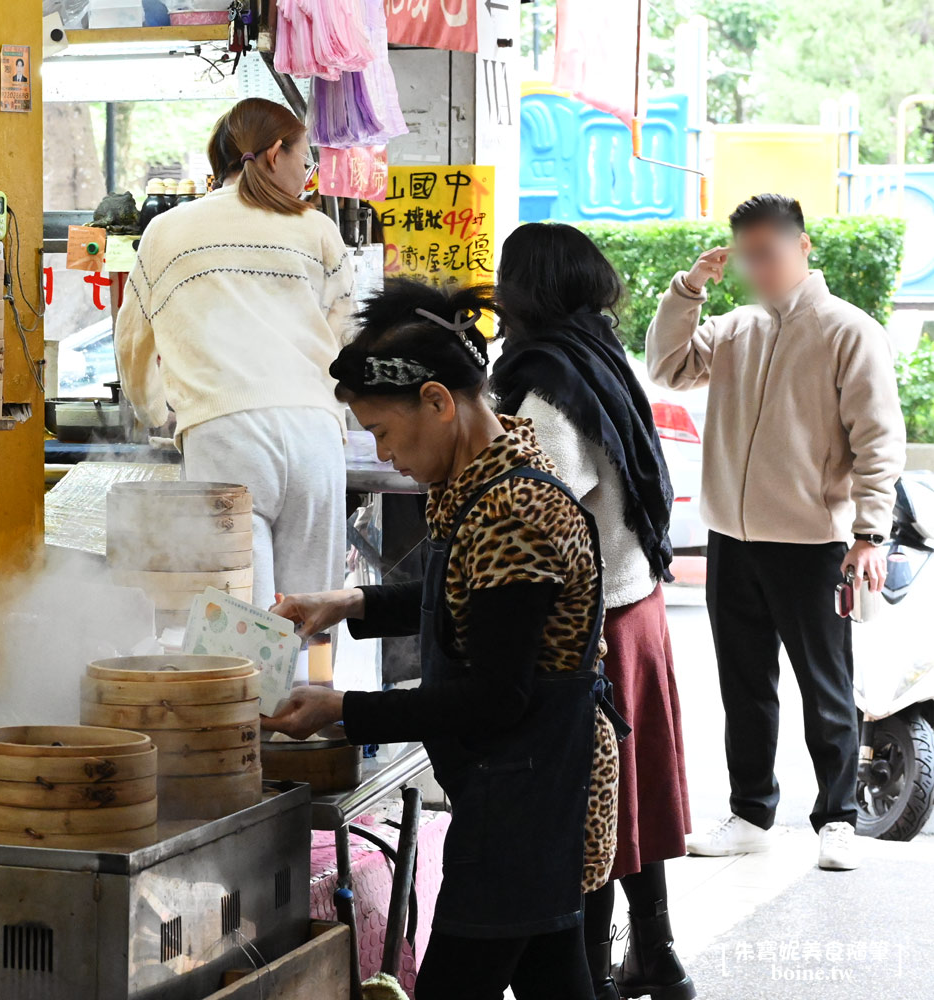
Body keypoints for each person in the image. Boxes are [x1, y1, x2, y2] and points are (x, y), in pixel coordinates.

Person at [263, 278, 625, 1000]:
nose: (383, 453)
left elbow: (494, 696)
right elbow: (471, 604)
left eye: (382, 431)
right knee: (555, 978)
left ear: (437, 401)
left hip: (528, 792)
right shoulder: (487, 480)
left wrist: (344, 710)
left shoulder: (513, 508)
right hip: (526, 779)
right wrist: (348, 602)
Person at [647, 194, 905, 872]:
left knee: (826, 686)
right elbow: (667, 367)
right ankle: (751, 814)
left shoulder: (849, 331)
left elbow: (878, 440)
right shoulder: (736, 328)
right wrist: (688, 289)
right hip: (732, 539)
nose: (757, 267)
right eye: (747, 256)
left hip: (814, 543)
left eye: (768, 253)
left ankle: (839, 819)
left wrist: (869, 533)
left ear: (803, 246)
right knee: (743, 685)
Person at [492, 222, 693, 1000]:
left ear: (525, 291)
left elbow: (540, 507)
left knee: (592, 806)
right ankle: (658, 955)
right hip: (637, 603)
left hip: (595, 622)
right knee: (631, 796)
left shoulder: (547, 382)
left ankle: (596, 973)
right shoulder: (600, 353)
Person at [115, 97, 355, 605]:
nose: (306, 174)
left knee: (240, 623)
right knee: (312, 612)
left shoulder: (167, 230)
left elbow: (132, 338)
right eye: (305, 160)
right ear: (274, 153)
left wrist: (153, 411)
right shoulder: (317, 228)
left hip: (223, 435)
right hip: (314, 436)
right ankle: (308, 666)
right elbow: (347, 334)